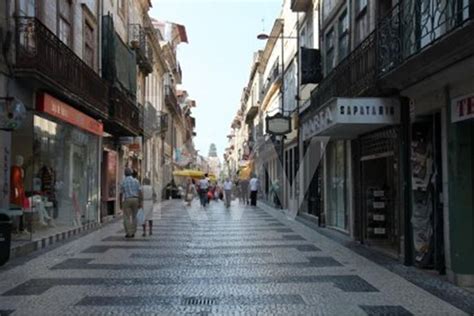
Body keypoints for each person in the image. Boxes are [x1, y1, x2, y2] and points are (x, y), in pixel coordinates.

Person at [120, 168, 142, 238]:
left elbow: (121, 193)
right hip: (135, 199)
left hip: (127, 199)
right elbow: (140, 192)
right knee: (135, 216)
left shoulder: (123, 181)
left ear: (125, 174)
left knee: (126, 217)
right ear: (131, 173)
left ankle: (128, 233)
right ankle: (133, 232)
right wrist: (140, 202)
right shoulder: (136, 181)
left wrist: (120, 203)